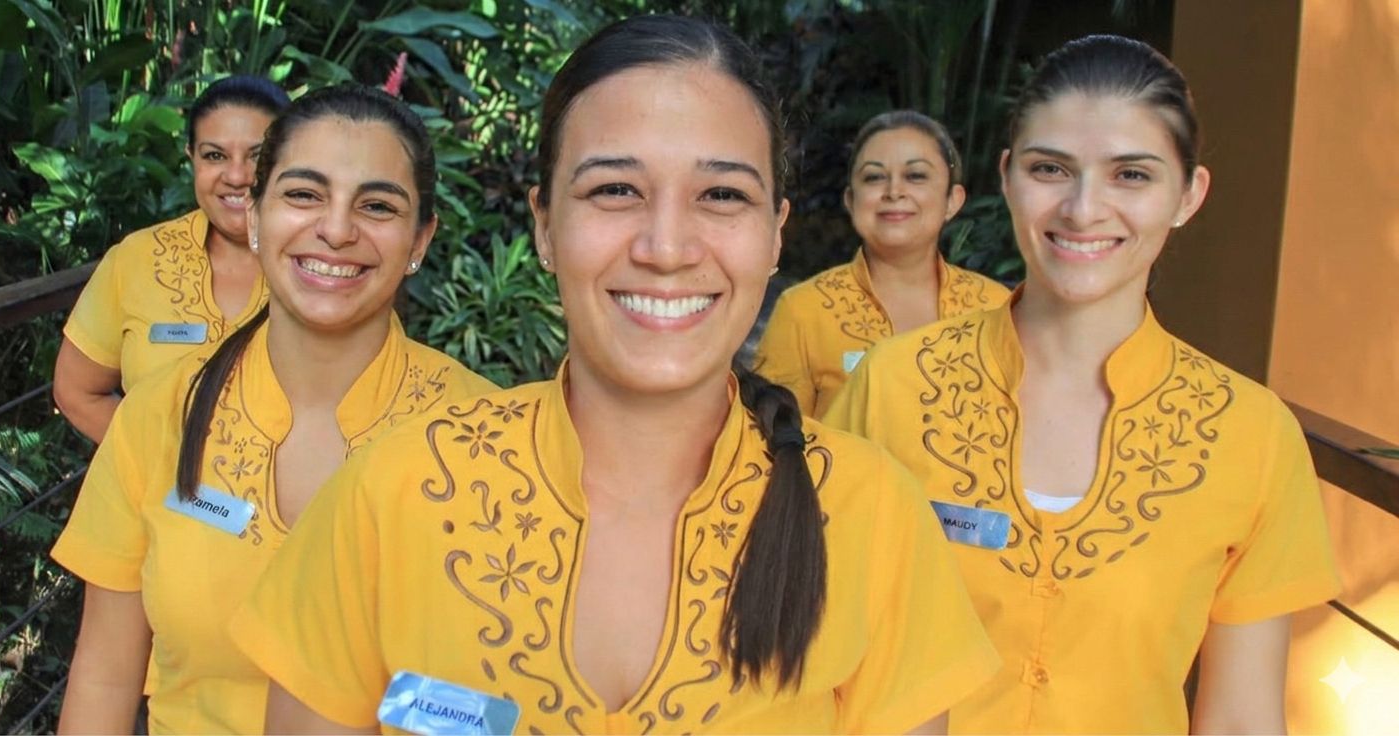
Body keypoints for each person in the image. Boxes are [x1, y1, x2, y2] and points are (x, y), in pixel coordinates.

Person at [231, 15, 997, 735]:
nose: (666, 247)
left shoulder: (872, 517)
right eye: (615, 190)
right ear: (544, 224)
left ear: (774, 236)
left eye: (722, 195)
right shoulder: (392, 492)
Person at [825, 35, 1341, 734]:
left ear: (1188, 195)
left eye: (1131, 175)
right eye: (1051, 169)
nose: (1083, 208)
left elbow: (1241, 721)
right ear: (1008, 177)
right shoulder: (894, 386)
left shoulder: (1252, 436)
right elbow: (814, 655)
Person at [50, 84, 497, 734]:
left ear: (419, 239)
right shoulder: (161, 415)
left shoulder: (483, 439)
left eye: (376, 205)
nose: (336, 230)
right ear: (255, 218)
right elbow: (104, 676)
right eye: (304, 195)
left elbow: (488, 703)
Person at [54, 75, 288, 443]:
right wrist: (153, 463)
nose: (237, 175)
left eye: (258, 156)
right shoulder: (138, 259)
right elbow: (77, 391)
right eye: (215, 155)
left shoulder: (327, 265)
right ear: (191, 159)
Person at [753, 110, 1009, 417]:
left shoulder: (997, 309)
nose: (894, 192)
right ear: (851, 200)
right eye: (874, 177)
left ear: (952, 200)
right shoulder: (803, 312)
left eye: (916, 176)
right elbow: (772, 436)